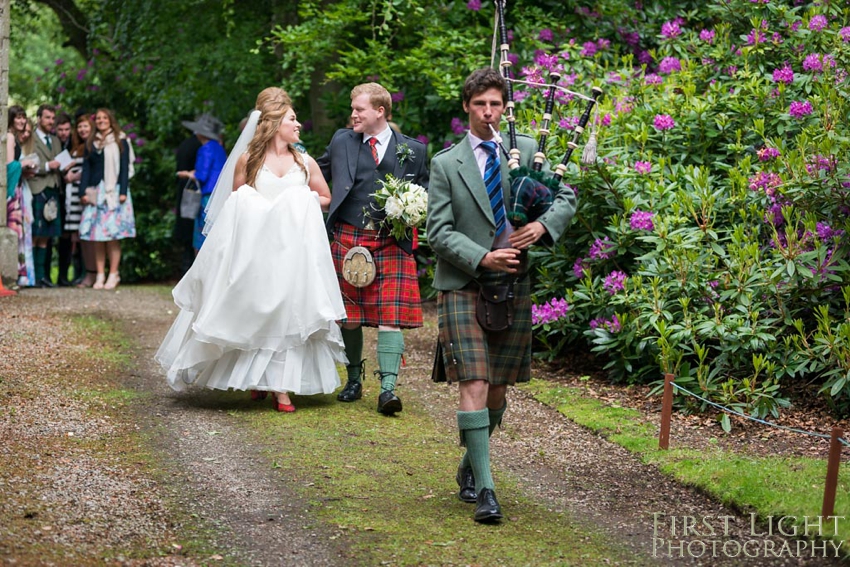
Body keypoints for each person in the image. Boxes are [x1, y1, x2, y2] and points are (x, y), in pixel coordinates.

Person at [426, 68, 577, 523]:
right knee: (472, 381)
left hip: (511, 287)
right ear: (466, 109)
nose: (488, 112)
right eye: (479, 105)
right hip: (463, 285)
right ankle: (488, 491)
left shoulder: (526, 150)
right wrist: (482, 258)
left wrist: (542, 226)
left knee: (496, 389)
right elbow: (438, 230)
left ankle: (472, 465)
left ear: (504, 107)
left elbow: (565, 195)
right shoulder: (445, 163)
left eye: (495, 104)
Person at [156, 87, 347, 412]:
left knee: (288, 312)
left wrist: (301, 200)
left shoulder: (304, 160)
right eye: (292, 118)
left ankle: (281, 387)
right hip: (257, 252)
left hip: (293, 252)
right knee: (254, 310)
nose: (298, 124)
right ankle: (258, 379)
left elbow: (326, 198)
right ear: (273, 123)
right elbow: (235, 206)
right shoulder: (248, 160)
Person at [317, 82, 429, 415]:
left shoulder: (414, 149)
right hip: (348, 236)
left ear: (380, 112)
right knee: (349, 317)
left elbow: (424, 190)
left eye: (359, 109)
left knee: (389, 319)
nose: (353, 114)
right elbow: (317, 172)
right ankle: (353, 379)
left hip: (391, 241)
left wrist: (414, 209)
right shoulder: (342, 141)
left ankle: (388, 389)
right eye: (353, 109)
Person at [78, 108, 136, 290]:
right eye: (99, 118)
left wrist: (123, 191)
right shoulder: (91, 143)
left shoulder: (121, 140)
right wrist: (82, 192)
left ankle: (113, 274)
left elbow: (125, 168)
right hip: (96, 193)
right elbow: (86, 169)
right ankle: (100, 274)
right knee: (97, 236)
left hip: (114, 191)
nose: (102, 121)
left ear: (111, 120)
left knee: (112, 236)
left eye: (105, 118)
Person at [176, 114, 227, 252]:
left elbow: (202, 175)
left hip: (207, 196)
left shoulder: (205, 149)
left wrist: (187, 174)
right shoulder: (218, 147)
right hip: (219, 194)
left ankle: (202, 270)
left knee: (202, 234)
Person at [29, 104, 63, 288]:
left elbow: (60, 162)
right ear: (39, 118)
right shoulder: (31, 138)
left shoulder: (55, 140)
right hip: (38, 188)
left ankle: (42, 276)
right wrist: (49, 166)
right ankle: (31, 277)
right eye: (47, 117)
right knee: (36, 233)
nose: (51, 121)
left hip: (53, 189)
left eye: (52, 118)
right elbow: (30, 163)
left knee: (46, 236)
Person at [64, 114, 94, 287]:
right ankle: (78, 273)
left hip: (85, 194)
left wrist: (76, 176)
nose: (83, 130)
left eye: (86, 126)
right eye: (80, 127)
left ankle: (87, 272)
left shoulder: (92, 146)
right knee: (76, 236)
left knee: (86, 234)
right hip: (73, 196)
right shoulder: (75, 147)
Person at [54, 111, 79, 286]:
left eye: (66, 129)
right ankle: (60, 275)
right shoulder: (53, 144)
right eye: (60, 129)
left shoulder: (76, 144)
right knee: (60, 236)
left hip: (75, 196)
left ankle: (75, 274)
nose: (63, 133)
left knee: (75, 237)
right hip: (58, 194)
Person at [172, 130, 202, 274]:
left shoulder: (185, 144)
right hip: (195, 191)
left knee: (186, 230)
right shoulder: (202, 147)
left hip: (184, 191)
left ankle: (186, 267)